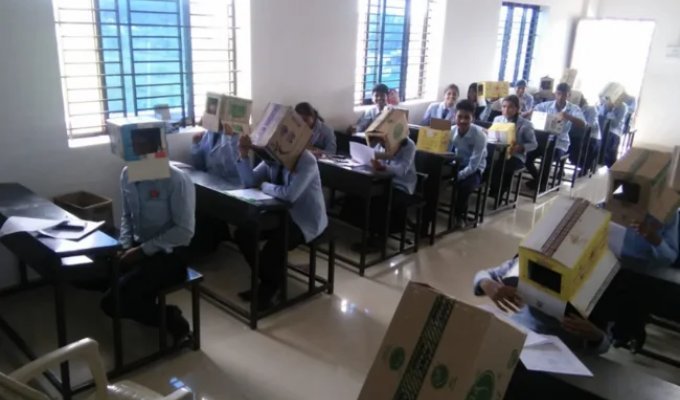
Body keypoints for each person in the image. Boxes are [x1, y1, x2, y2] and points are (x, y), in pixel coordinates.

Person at [101, 163, 196, 344]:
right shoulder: (127, 173)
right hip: (138, 247)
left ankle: (172, 319)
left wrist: (142, 251)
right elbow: (127, 216)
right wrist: (125, 245)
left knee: (111, 302)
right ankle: (146, 308)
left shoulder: (177, 179)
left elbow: (184, 231)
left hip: (170, 254)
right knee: (97, 273)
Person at [233, 133, 328, 310]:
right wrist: (244, 154)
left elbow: (290, 195)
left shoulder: (306, 161)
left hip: (304, 218)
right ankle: (270, 281)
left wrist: (265, 186)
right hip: (279, 213)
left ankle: (270, 289)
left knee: (273, 249)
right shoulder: (274, 158)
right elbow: (249, 182)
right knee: (243, 234)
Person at [473, 256, 611, 355]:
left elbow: (605, 344)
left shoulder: (599, 283)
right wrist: (485, 283)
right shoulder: (534, 259)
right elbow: (485, 274)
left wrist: (596, 335)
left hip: (563, 353)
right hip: (519, 335)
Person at [340, 135, 417, 252]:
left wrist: (384, 167)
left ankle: (379, 240)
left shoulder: (408, 145)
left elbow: (402, 170)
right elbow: (372, 157)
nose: (382, 142)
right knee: (360, 193)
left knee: (381, 201)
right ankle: (365, 230)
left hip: (401, 186)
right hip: (383, 182)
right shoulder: (382, 143)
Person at [526, 83, 585, 191]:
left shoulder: (573, 108)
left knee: (549, 154)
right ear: (555, 94)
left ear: (569, 95)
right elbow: (533, 111)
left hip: (560, 143)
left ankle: (541, 184)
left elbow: (583, 124)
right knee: (526, 156)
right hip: (542, 141)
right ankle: (538, 179)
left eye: (564, 95)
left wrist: (567, 116)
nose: (561, 97)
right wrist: (527, 114)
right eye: (558, 94)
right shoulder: (546, 105)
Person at [489, 95, 537, 198]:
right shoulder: (497, 119)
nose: (506, 109)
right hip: (498, 152)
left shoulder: (525, 124)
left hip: (515, 155)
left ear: (517, 109)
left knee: (504, 165)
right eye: (504, 106)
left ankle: (499, 191)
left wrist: (521, 147)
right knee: (489, 162)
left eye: (510, 107)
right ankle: (492, 187)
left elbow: (534, 144)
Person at [450, 100, 487, 229]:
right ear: (455, 116)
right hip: (457, 164)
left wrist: (458, 176)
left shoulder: (479, 135)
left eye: (467, 117)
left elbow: (474, 164)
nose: (463, 120)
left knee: (465, 186)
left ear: (473, 118)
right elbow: (446, 152)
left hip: (475, 169)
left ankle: (459, 216)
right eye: (460, 116)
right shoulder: (451, 131)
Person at [598, 97, 628, 168]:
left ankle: (607, 163)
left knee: (608, 140)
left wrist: (610, 110)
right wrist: (607, 107)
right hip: (603, 129)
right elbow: (601, 116)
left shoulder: (622, 107)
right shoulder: (606, 104)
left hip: (614, 132)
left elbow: (615, 124)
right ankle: (593, 162)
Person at [579, 96, 601, 176]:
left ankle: (584, 166)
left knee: (579, 146)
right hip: (580, 136)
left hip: (592, 137)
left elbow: (590, 125)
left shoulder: (591, 109)